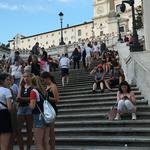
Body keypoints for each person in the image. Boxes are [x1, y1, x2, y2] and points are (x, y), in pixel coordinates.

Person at [30, 76, 50, 150]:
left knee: (38, 143)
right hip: (47, 116)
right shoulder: (45, 90)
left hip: (38, 116)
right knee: (46, 142)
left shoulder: (33, 91)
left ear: (32, 83)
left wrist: (29, 104)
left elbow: (32, 106)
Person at [41, 72, 59, 150]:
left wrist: (47, 98)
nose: (43, 81)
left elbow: (57, 99)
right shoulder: (47, 86)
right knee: (48, 131)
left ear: (48, 78)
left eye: (43, 79)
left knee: (51, 131)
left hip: (51, 110)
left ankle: (53, 148)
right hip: (47, 109)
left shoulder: (53, 86)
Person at [17, 72, 33, 150]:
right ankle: (21, 148)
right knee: (18, 130)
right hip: (21, 108)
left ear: (30, 77)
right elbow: (17, 98)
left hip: (29, 108)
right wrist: (27, 99)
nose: (25, 78)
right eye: (24, 77)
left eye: (27, 76)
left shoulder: (33, 87)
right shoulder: (21, 86)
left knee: (29, 130)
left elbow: (32, 99)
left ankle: (28, 148)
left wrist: (22, 99)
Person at [0, 73, 13, 150]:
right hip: (4, 116)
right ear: (2, 81)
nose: (9, 81)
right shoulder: (6, 90)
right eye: (7, 80)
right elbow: (10, 108)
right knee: (4, 145)